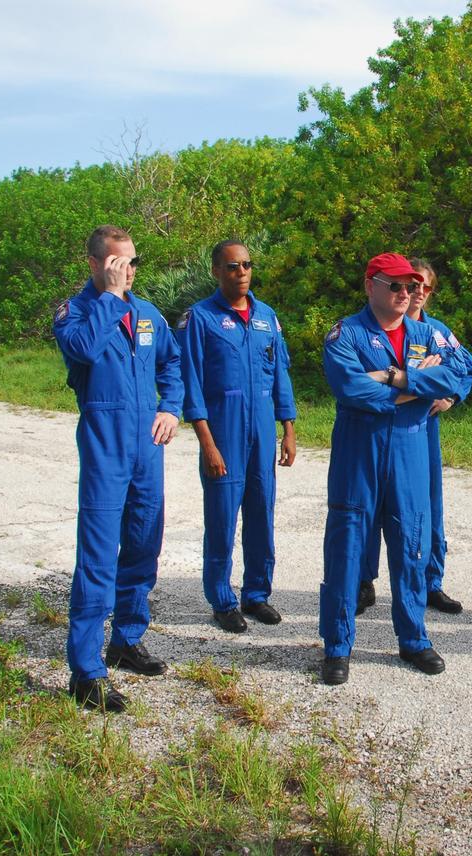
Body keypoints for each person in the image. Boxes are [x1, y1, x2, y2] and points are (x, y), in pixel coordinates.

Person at [318, 253, 471, 685]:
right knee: (347, 547)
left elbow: (460, 374)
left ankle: (414, 639)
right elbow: (354, 391)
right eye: (396, 286)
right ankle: (337, 645)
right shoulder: (344, 334)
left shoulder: (428, 333)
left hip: (409, 451)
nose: (406, 294)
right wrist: (420, 387)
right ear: (371, 286)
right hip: (359, 451)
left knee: (411, 545)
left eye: (411, 286)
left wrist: (396, 378)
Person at [53, 225, 183, 713]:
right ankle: (86, 670)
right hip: (105, 440)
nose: (127, 271)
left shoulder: (147, 313)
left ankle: (127, 638)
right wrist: (109, 298)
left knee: (145, 542)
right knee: (99, 554)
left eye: (132, 262)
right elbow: (82, 350)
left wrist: (170, 407)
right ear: (94, 264)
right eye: (117, 263)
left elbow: (172, 364)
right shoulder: (76, 312)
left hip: (146, 446)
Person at [177, 239, 297, 632]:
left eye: (246, 265)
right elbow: (191, 382)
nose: (241, 272)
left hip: (262, 428)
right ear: (216, 271)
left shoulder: (266, 316)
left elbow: (280, 374)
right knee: (223, 518)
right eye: (232, 266)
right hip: (223, 430)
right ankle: (222, 599)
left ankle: (257, 593)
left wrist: (288, 429)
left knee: (262, 512)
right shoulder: (201, 318)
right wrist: (207, 443)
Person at [356, 258, 472, 616]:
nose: (416, 292)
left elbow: (465, 366)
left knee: (427, 505)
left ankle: (429, 580)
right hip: (377, 427)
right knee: (371, 504)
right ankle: (363, 580)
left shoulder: (435, 332)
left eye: (424, 286)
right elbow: (360, 384)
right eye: (409, 285)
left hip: (422, 426)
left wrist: (451, 397)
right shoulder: (374, 328)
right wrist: (420, 382)